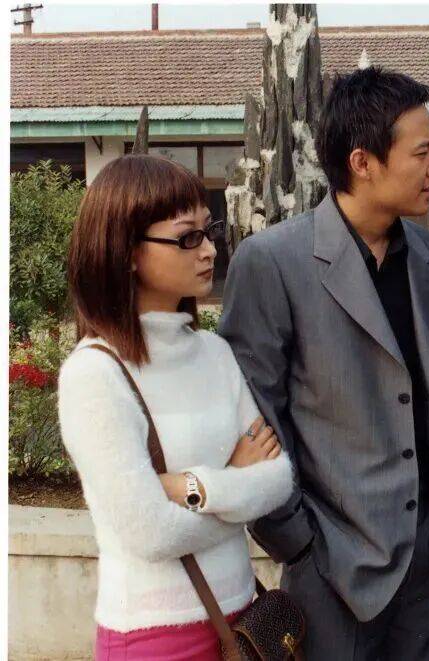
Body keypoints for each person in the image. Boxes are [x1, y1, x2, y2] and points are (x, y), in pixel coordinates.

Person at [219, 66, 429, 660]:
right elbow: (253, 414)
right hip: (334, 572)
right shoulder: (273, 262)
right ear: (363, 162)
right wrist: (299, 545)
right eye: (423, 153)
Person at [57, 154, 294, 660]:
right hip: (153, 635)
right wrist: (236, 485)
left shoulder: (214, 352)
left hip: (243, 620)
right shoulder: (94, 373)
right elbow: (148, 532)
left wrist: (192, 487)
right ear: (126, 252)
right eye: (188, 237)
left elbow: (277, 479)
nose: (208, 250)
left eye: (209, 231)